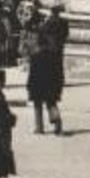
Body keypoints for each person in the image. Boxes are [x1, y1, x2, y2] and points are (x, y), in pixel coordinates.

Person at [27, 7, 66, 135]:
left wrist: (29, 85)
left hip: (38, 84)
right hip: (52, 81)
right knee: (51, 102)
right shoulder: (54, 54)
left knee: (37, 105)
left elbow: (32, 74)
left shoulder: (36, 55)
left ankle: (39, 127)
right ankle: (56, 121)